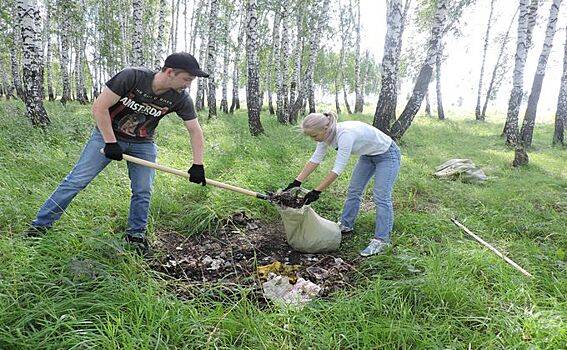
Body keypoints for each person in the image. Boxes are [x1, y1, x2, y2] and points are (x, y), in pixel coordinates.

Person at [27, 52, 209, 254]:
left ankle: (136, 236)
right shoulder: (132, 77)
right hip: (106, 135)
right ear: (169, 72)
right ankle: (40, 226)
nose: (188, 85)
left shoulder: (180, 98)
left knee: (143, 190)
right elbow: (99, 107)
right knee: (76, 180)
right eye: (186, 79)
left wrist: (198, 164)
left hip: (143, 143)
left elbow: (194, 130)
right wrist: (110, 141)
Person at [283, 111, 401, 257]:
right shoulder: (324, 136)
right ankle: (346, 225)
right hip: (368, 156)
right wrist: (296, 182)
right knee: (354, 190)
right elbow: (315, 159)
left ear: (325, 128)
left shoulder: (345, 135)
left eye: (314, 136)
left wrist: (316, 192)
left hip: (387, 154)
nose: (314, 139)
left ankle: (382, 240)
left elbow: (337, 169)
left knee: (381, 196)